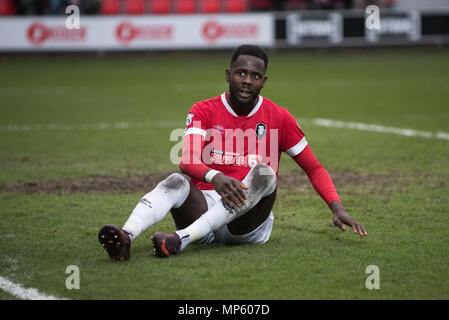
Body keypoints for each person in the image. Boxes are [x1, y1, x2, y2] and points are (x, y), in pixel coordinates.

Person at [98, 44, 367, 261]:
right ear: (228, 75)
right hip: (202, 210)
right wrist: (215, 176)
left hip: (246, 225)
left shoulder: (280, 117)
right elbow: (187, 160)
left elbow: (314, 167)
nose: (247, 81)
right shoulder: (203, 110)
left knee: (265, 174)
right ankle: (126, 237)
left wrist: (337, 207)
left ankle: (179, 240)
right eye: (241, 73)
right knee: (176, 181)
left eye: (255, 76)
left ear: (264, 81)